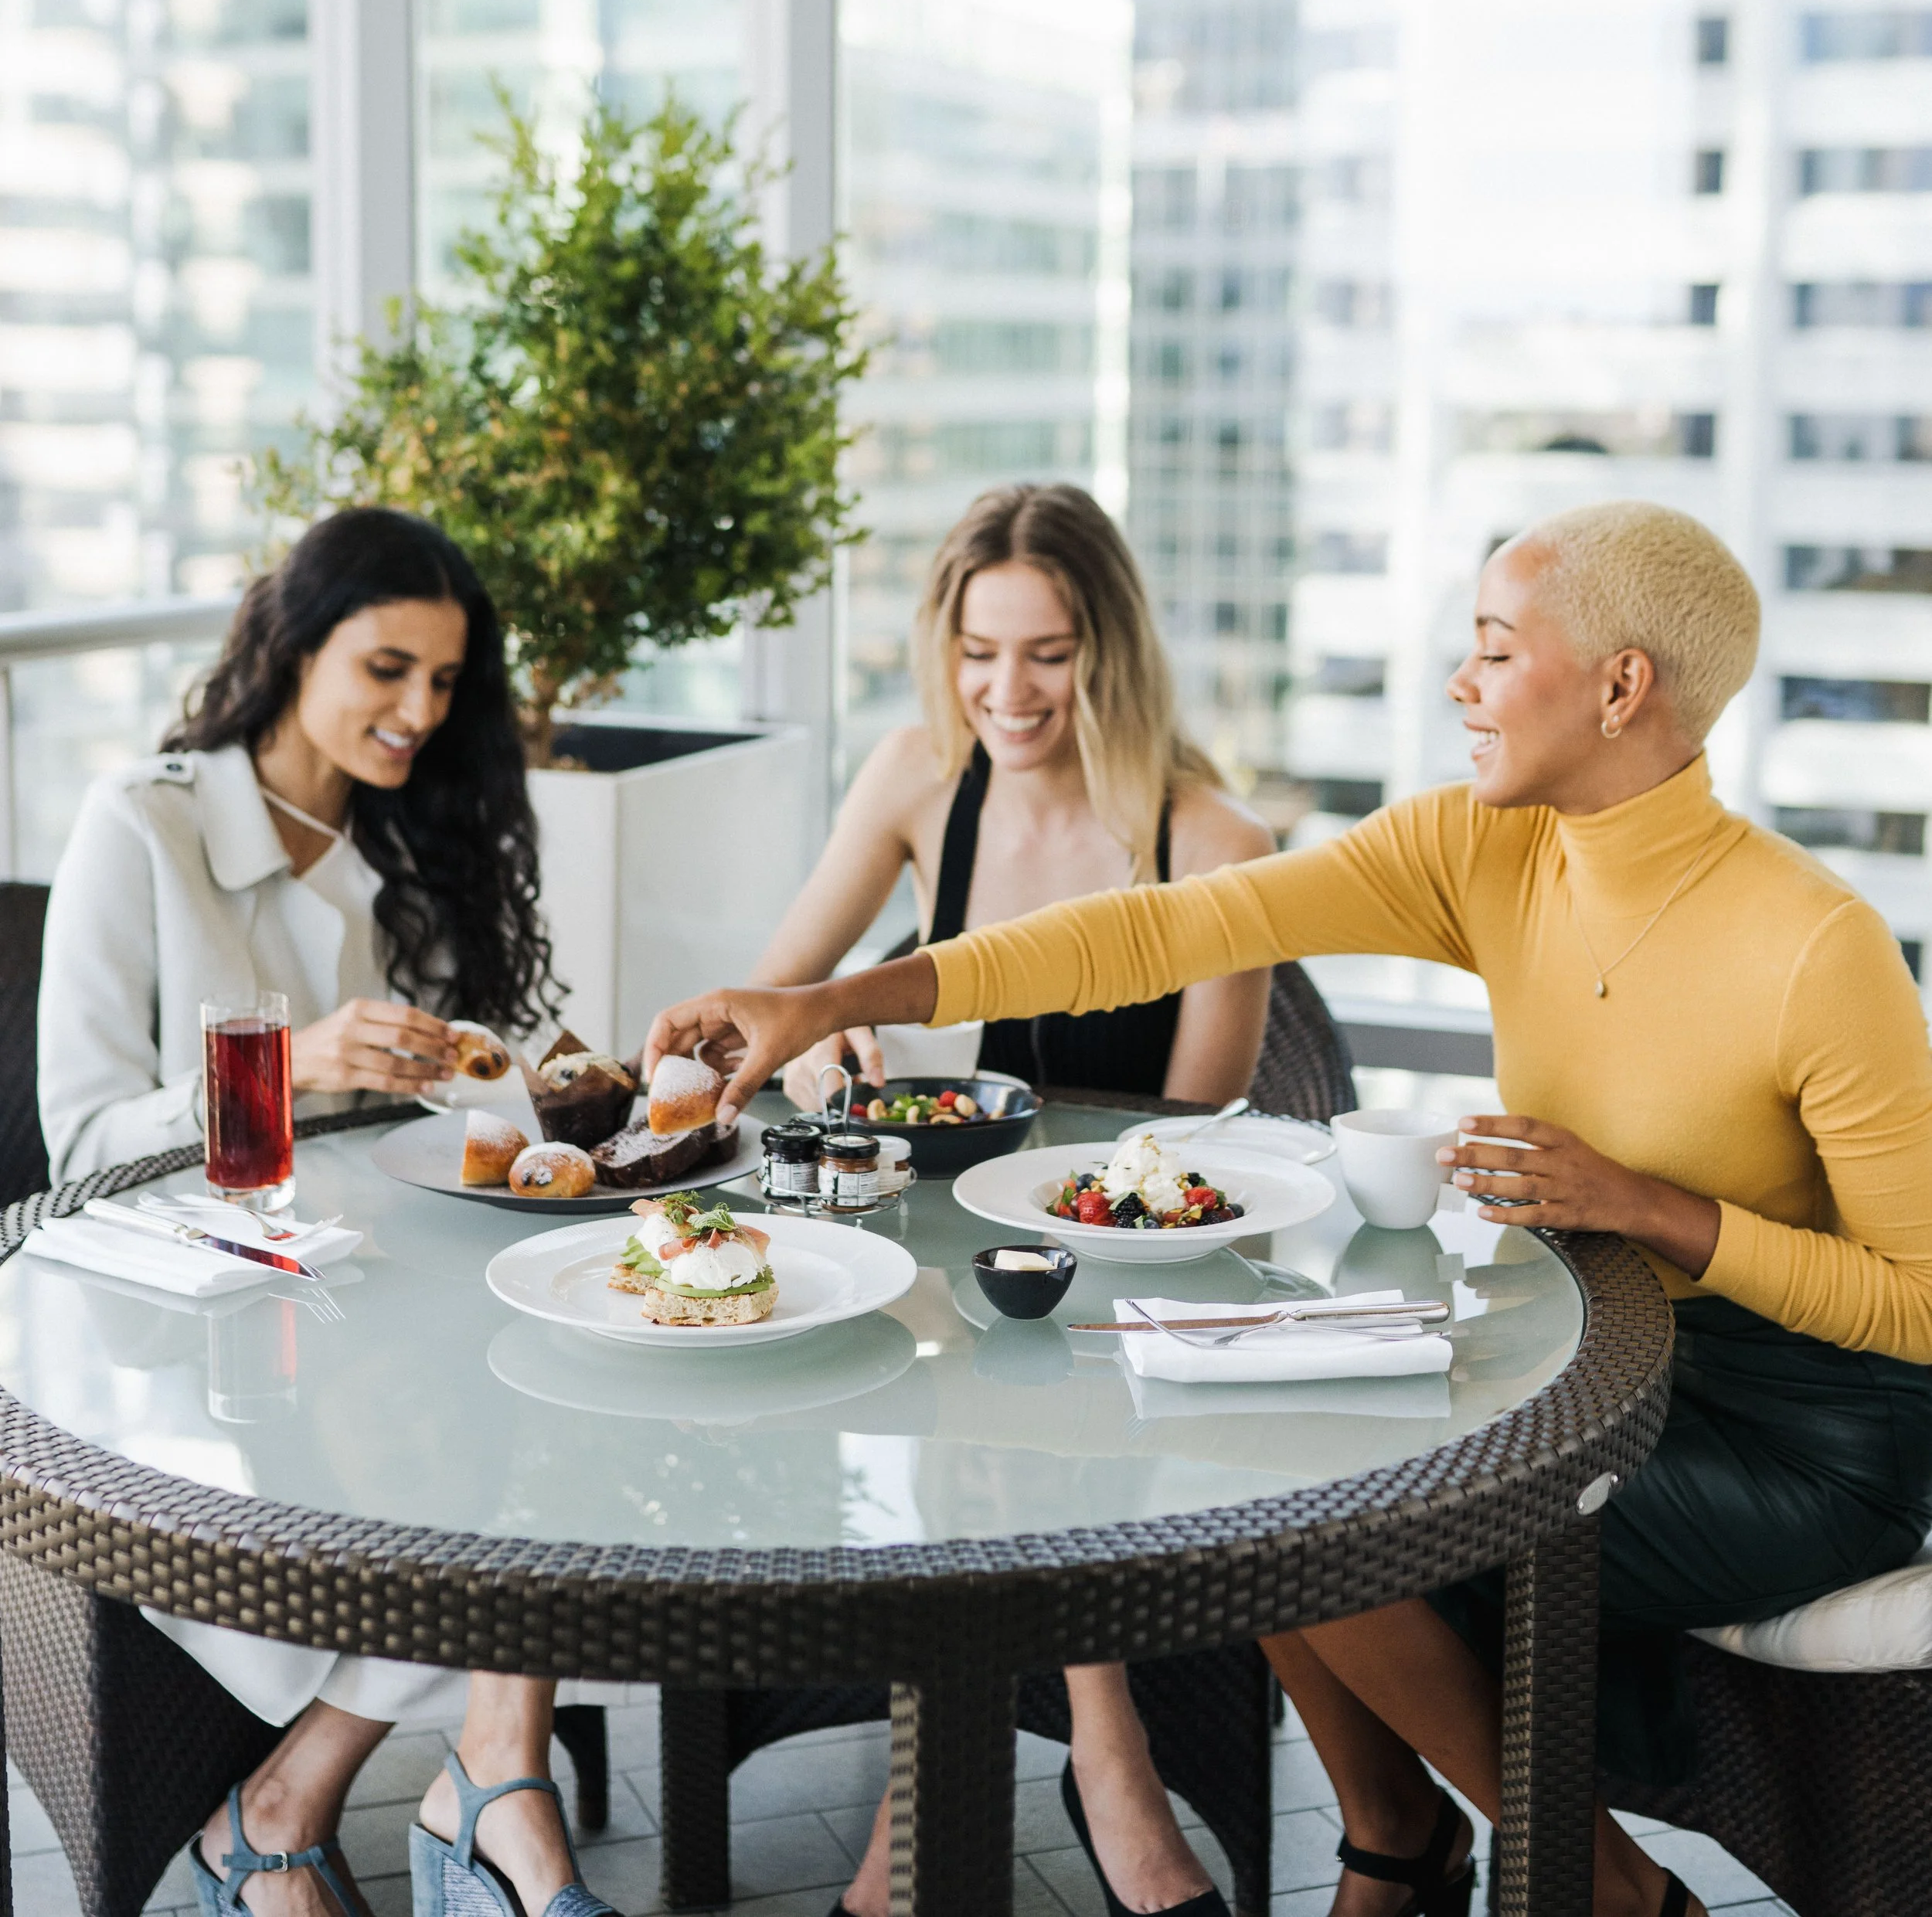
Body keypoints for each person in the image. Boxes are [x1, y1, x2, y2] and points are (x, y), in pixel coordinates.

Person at [648, 499, 1932, 1917]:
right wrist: (827, 1000)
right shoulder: (1487, 851)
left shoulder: (1820, 947)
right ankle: (1403, 1840)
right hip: (1600, 1363)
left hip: (1807, 1438)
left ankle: (1585, 1884)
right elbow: (1154, 925)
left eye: (1497, 653)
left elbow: (1922, 1309)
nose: (1462, 684)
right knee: (1250, 1462)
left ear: (1624, 687)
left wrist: (1653, 1208)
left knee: (1325, 1510)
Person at [39, 509, 617, 1917]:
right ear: (294, 646)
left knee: (567, 1408)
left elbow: (430, 1124)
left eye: (444, 682)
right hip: (170, 1329)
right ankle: (468, 1797)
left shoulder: (406, 837)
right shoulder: (146, 823)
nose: (419, 712)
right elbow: (79, 1139)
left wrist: (529, 1092)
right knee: (501, 1487)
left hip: (356, 1294)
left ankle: (304, 1816)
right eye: (386, 669)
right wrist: (285, 1070)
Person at [753, 483, 1273, 1917]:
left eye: (1046, 652)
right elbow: (780, 1004)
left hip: (1132, 1268)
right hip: (952, 1259)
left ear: (1108, 648)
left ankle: (940, 1814)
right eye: (980, 652)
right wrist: (822, 1057)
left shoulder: (1211, 842)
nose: (1006, 690)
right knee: (956, 1360)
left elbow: (1196, 1138)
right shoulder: (922, 780)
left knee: (993, 1391)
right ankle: (1112, 1775)